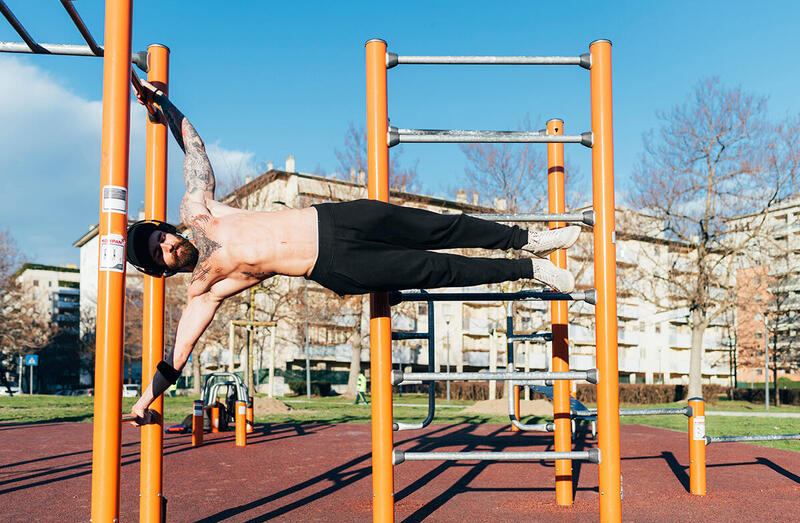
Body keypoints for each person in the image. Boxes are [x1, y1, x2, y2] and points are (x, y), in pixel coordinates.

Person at [128, 82, 580, 425]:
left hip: (335, 220)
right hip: (335, 266)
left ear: (168, 229)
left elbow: (194, 149)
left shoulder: (198, 209)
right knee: (436, 268)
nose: (169, 246)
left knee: (438, 225)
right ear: (161, 268)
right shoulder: (204, 290)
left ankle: (527, 239)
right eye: (161, 253)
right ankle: (531, 268)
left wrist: (162, 104)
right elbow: (177, 356)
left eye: (163, 238)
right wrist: (143, 402)